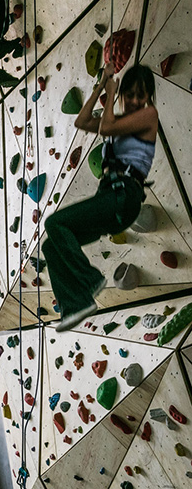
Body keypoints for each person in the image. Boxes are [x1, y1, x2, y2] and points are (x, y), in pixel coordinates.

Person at [44, 62, 159, 331]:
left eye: (139, 96)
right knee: (52, 246)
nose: (133, 101)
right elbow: (81, 121)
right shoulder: (118, 122)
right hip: (110, 199)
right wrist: (103, 84)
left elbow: (105, 127)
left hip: (124, 197)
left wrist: (111, 93)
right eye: (128, 95)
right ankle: (76, 305)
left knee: (54, 223)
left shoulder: (149, 116)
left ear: (148, 98)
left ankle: (90, 279)